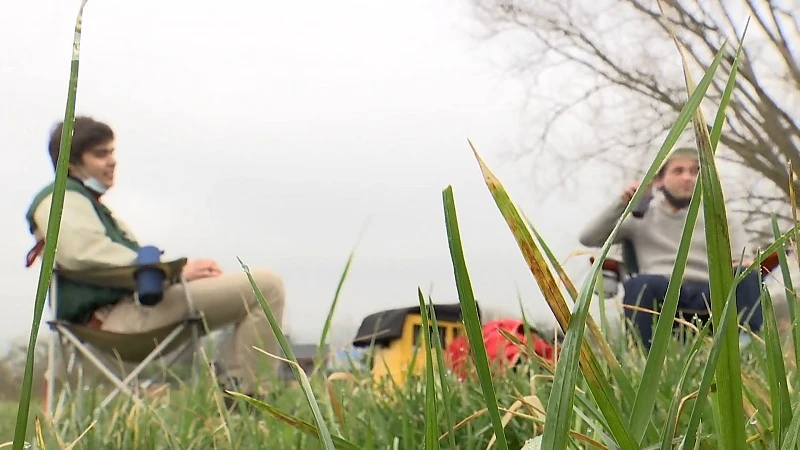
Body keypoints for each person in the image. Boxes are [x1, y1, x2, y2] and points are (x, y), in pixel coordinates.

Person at [25, 116, 286, 404]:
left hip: (130, 311)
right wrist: (175, 272)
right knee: (265, 287)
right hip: (115, 321)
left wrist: (174, 275)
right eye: (101, 154)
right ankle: (251, 398)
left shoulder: (92, 206)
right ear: (72, 163)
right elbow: (86, 254)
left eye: (112, 152)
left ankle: (241, 389)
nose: (112, 161)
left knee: (261, 287)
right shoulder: (60, 200)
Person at [578, 146, 763, 350]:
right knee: (641, 284)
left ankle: (745, 349)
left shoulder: (723, 217)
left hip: (712, 294)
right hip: (663, 293)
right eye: (678, 171)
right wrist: (622, 203)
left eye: (695, 172)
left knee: (746, 275)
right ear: (659, 180)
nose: (687, 177)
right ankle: (643, 357)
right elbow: (589, 238)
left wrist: (742, 268)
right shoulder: (640, 218)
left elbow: (742, 261)